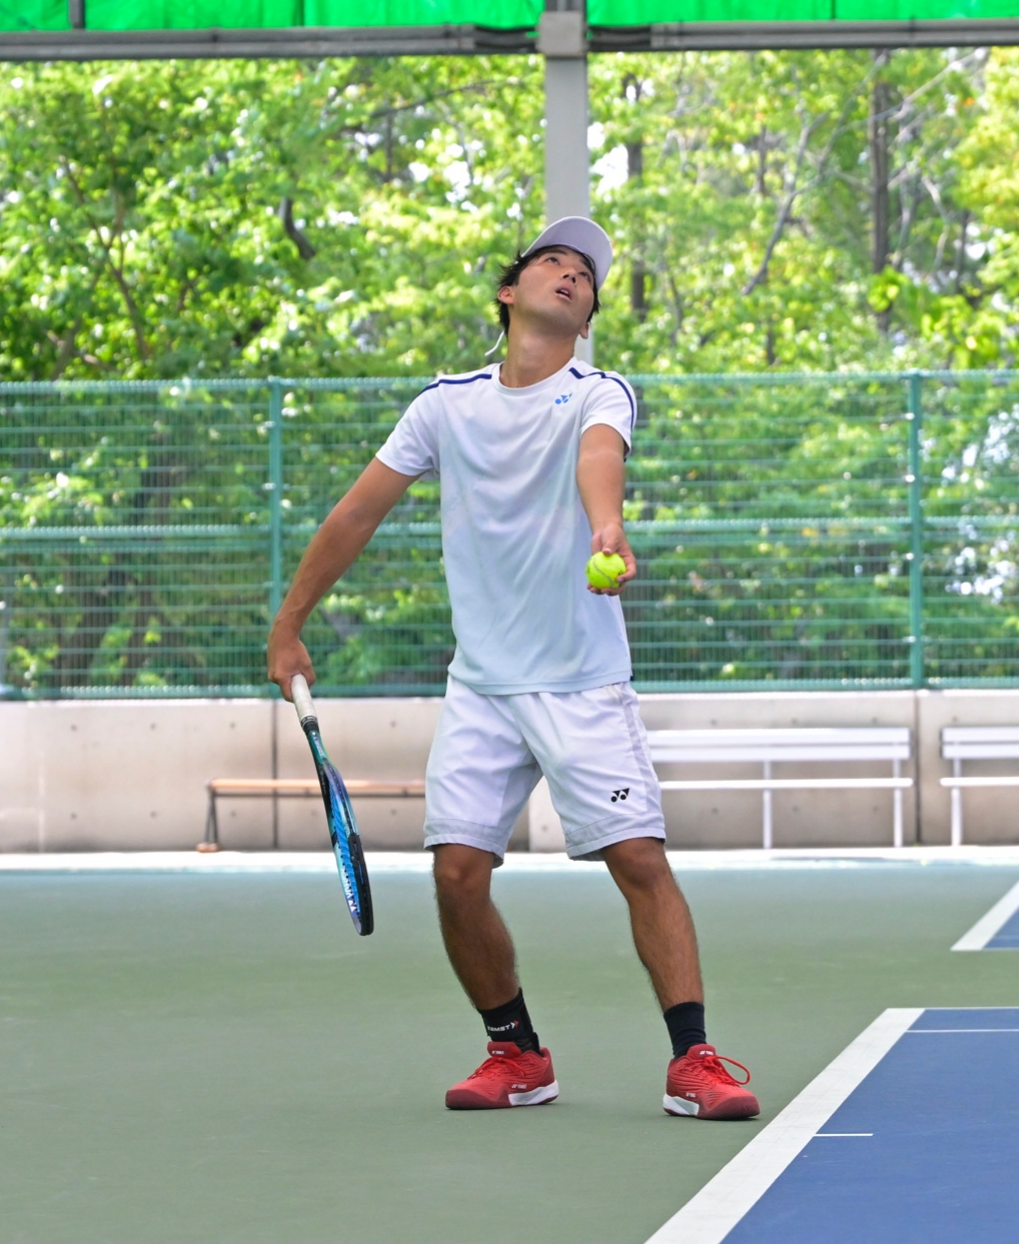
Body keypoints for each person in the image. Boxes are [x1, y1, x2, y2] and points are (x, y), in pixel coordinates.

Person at [266, 217, 756, 1120]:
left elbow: (597, 457)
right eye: (551, 263)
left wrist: (606, 524)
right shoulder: (444, 406)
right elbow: (356, 514)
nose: (570, 275)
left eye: (585, 276)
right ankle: (517, 1054)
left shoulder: (598, 393)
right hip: (482, 688)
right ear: (508, 291)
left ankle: (694, 1061)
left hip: (581, 682)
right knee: (456, 875)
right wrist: (289, 624)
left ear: (589, 315)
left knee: (637, 858)